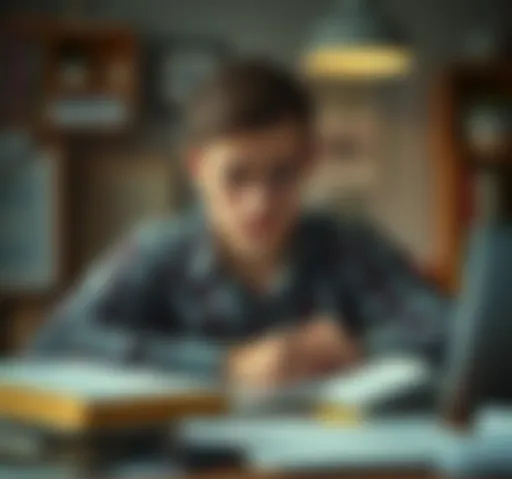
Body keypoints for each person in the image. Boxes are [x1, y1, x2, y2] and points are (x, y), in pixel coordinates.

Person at [30, 60, 449, 389]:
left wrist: (358, 348)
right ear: (197, 167)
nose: (259, 203)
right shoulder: (157, 250)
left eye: (282, 174)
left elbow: (455, 332)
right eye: (236, 177)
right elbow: (54, 343)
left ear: (310, 161)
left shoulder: (350, 244)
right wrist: (227, 365)